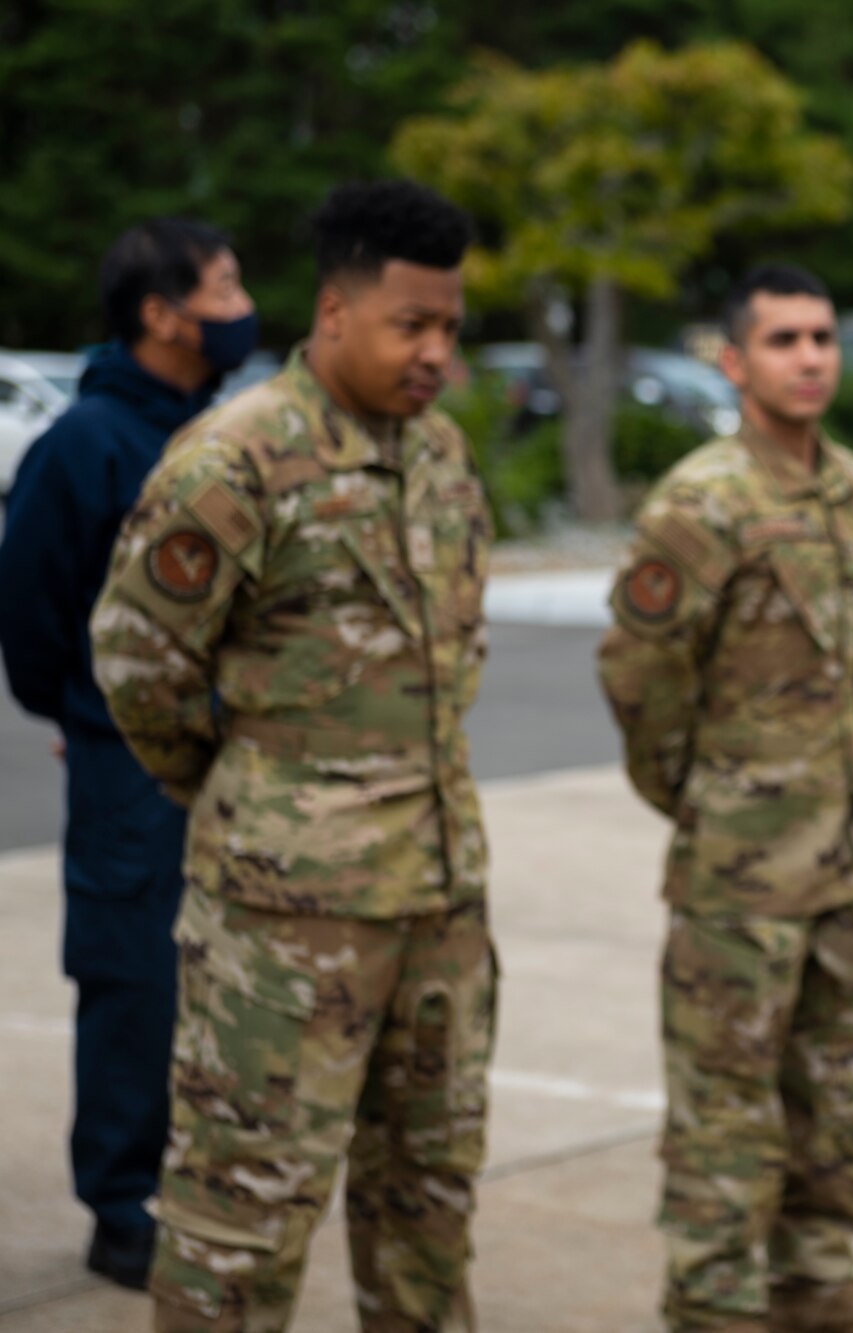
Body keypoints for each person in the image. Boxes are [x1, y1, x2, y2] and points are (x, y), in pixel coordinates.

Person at [90, 180, 494, 1331]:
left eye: (449, 329)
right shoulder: (234, 460)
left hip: (438, 904)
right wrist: (259, 804)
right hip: (282, 926)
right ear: (332, 312)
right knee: (239, 1226)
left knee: (428, 1209)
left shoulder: (443, 457)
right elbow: (137, 666)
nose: (433, 352)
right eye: (408, 325)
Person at [598, 263, 853, 1333]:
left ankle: (811, 1279)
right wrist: (705, 799)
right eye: (785, 339)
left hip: (848, 848)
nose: (810, 358)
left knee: (834, 1093)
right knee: (725, 1105)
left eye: (822, 337)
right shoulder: (702, 503)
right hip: (739, 866)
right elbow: (637, 676)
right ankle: (711, 1302)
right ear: (733, 360)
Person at [0, 218, 256, 1289]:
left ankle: (205, 1179)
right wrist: (89, 714)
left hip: (225, 760)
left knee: (224, 977)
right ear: (161, 315)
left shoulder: (212, 430)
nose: (242, 306)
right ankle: (122, 1202)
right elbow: (32, 615)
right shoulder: (90, 443)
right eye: (224, 286)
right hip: (124, 767)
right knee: (132, 974)